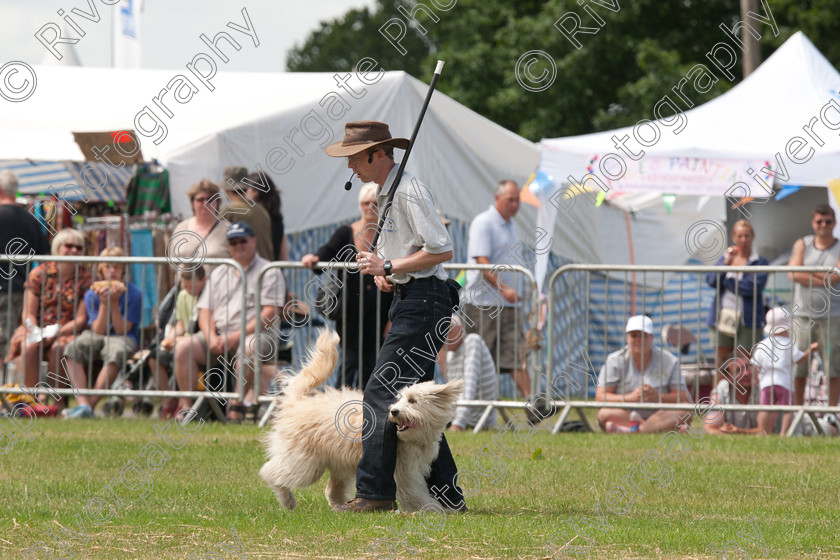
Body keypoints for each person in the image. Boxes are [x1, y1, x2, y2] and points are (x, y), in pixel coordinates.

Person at [325, 120, 464, 513]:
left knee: (381, 393)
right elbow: (410, 257)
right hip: (413, 298)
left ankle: (375, 494)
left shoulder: (408, 191)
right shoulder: (391, 194)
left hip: (424, 301)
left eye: (355, 157)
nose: (351, 166)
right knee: (420, 405)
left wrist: (389, 266)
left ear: (379, 154)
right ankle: (448, 497)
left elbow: (441, 248)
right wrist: (391, 274)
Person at [173, 222, 285, 421]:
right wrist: (211, 336)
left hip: (258, 336)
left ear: (254, 241)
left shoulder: (269, 270)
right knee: (183, 348)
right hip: (220, 335)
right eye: (233, 242)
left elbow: (270, 313)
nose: (238, 246)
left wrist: (235, 336)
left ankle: (237, 406)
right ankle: (187, 408)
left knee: (248, 349)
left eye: (243, 240)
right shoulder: (219, 272)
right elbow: (205, 311)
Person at [301, 183, 392, 390]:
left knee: (373, 360)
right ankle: (340, 403)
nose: (370, 207)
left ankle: (365, 406)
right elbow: (328, 251)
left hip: (381, 310)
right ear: (360, 205)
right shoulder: (346, 232)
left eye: (375, 203)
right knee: (349, 359)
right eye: (366, 203)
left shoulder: (390, 233)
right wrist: (314, 257)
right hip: (350, 310)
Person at [461, 180, 534, 402]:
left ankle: (532, 405)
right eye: (510, 199)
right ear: (497, 198)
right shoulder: (483, 222)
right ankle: (467, 408)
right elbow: (482, 261)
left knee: (517, 353)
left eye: (517, 200)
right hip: (482, 305)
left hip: (508, 305)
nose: (515, 204)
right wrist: (504, 289)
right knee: (476, 360)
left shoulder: (510, 225)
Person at [5, 228, 90, 406]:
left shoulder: (86, 278)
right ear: (58, 248)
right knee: (29, 345)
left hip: (68, 329)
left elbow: (81, 319)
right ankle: (30, 401)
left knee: (59, 348)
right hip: (34, 326)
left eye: (79, 247)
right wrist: (37, 332)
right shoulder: (39, 273)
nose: (74, 250)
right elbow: (28, 313)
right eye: (69, 246)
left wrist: (55, 333)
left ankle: (58, 403)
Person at [62, 247, 143, 419]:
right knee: (72, 347)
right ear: (101, 270)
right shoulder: (92, 294)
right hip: (99, 335)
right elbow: (98, 330)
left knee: (116, 351)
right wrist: (105, 302)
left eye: (117, 266)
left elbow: (122, 330)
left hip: (123, 337)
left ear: (123, 270)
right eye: (108, 266)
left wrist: (113, 302)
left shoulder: (134, 294)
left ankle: (88, 407)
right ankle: (82, 403)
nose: (112, 270)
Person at [596, 315, 692, 434]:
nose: (638, 340)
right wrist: (629, 398)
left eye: (643, 336)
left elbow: (681, 397)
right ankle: (661, 428)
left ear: (651, 338)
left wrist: (657, 397)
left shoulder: (670, 361)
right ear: (627, 338)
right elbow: (600, 396)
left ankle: (633, 430)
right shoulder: (614, 360)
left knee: (686, 410)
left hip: (660, 413)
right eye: (634, 336)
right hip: (625, 413)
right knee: (604, 412)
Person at [788, 204, 840, 410]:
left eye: (828, 221)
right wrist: (824, 277)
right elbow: (793, 274)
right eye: (819, 221)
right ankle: (797, 411)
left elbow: (835, 277)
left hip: (833, 316)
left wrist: (807, 275)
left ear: (834, 223)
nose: (824, 225)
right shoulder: (802, 243)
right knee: (799, 367)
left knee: (833, 368)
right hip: (802, 315)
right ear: (813, 223)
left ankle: (831, 413)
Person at [705, 219, 768, 373]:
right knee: (722, 364)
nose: (743, 240)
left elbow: (751, 288)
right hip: (723, 315)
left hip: (748, 319)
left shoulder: (760, 262)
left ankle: (746, 396)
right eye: (740, 236)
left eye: (747, 236)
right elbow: (712, 280)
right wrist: (726, 264)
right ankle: (719, 396)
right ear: (734, 237)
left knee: (744, 364)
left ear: (753, 236)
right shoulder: (726, 259)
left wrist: (727, 280)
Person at [0, 170, 50, 360]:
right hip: (24, 290)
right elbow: (44, 254)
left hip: (6, 290)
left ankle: (5, 385)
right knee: (15, 339)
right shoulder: (30, 219)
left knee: (4, 340)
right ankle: (11, 384)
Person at [147, 265, 207, 419]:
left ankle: (184, 402)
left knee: (182, 351)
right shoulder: (182, 296)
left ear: (203, 280)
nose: (189, 289)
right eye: (185, 286)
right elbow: (180, 325)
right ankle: (168, 398)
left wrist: (178, 340)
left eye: (192, 285)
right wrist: (170, 339)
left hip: (198, 340)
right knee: (154, 356)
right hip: (184, 338)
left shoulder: (207, 296)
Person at [752, 307, 818, 436]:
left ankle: (764, 432)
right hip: (784, 383)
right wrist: (810, 349)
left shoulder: (762, 344)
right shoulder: (789, 343)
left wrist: (756, 379)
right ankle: (784, 433)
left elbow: (755, 365)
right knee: (788, 410)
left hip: (766, 383)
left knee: (764, 409)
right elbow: (799, 360)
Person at [442, 315, 498, 432]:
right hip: (460, 414)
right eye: (442, 335)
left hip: (478, 417)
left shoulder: (472, 341)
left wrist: (458, 424)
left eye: (449, 333)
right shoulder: (450, 354)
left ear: (461, 329)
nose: (446, 339)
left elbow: (468, 387)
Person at [170, 179, 230, 276]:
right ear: (192, 202)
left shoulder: (227, 229)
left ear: (217, 203)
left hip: (217, 289)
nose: (205, 203)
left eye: (210, 199)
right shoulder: (180, 228)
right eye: (201, 200)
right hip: (186, 289)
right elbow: (172, 263)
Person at [219, 166, 274, 261]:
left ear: (226, 190)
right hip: (265, 268)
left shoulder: (227, 210)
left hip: (245, 269)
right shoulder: (261, 210)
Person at [704, 357, 762, 435]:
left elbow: (767, 431)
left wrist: (739, 431)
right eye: (738, 370)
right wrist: (726, 432)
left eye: (747, 367)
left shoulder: (763, 387)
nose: (746, 373)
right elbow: (709, 428)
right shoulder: (722, 389)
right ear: (727, 377)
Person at [244, 171, 289, 261]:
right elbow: (284, 257)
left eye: (245, 190)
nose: (243, 195)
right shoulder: (277, 221)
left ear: (255, 192)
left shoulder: (254, 220)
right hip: (274, 271)